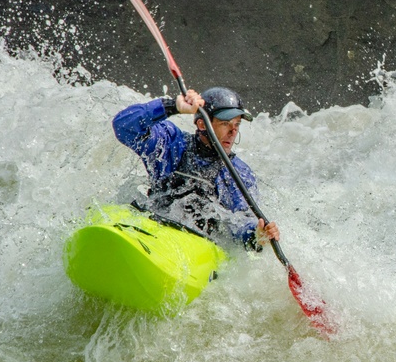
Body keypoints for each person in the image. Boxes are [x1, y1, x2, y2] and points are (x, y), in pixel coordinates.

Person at [113, 86, 280, 250]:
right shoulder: (172, 144)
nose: (233, 131)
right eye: (225, 123)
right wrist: (172, 106)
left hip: (196, 248)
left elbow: (242, 221)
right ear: (202, 124)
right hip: (154, 228)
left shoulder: (237, 174)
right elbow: (123, 126)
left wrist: (256, 235)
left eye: (237, 124)